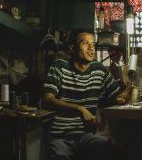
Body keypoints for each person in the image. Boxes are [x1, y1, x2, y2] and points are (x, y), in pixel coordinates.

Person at [42, 28, 130, 160]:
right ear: (72, 48)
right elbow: (47, 99)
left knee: (116, 151)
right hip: (61, 137)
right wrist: (79, 108)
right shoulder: (60, 66)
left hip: (86, 137)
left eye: (93, 44)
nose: (91, 48)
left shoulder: (98, 70)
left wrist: (127, 82)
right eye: (85, 43)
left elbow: (118, 96)